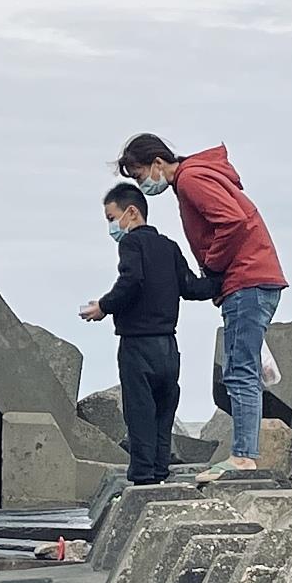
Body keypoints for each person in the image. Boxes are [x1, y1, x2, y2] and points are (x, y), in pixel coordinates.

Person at [113, 134, 287, 482]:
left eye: (140, 173)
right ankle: (244, 453)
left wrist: (213, 263)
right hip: (252, 279)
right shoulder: (194, 177)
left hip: (246, 281)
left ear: (158, 163)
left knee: (239, 372)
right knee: (244, 365)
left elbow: (233, 221)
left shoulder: (191, 179)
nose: (142, 183)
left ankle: (243, 457)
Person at [80, 182, 220, 485]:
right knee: (163, 412)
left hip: (138, 346)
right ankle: (159, 472)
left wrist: (103, 306)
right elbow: (192, 288)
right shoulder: (169, 247)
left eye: (110, 217)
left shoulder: (131, 244)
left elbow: (131, 281)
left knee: (140, 413)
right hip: (169, 347)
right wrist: (223, 279)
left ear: (131, 213)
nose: (111, 226)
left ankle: (143, 478)